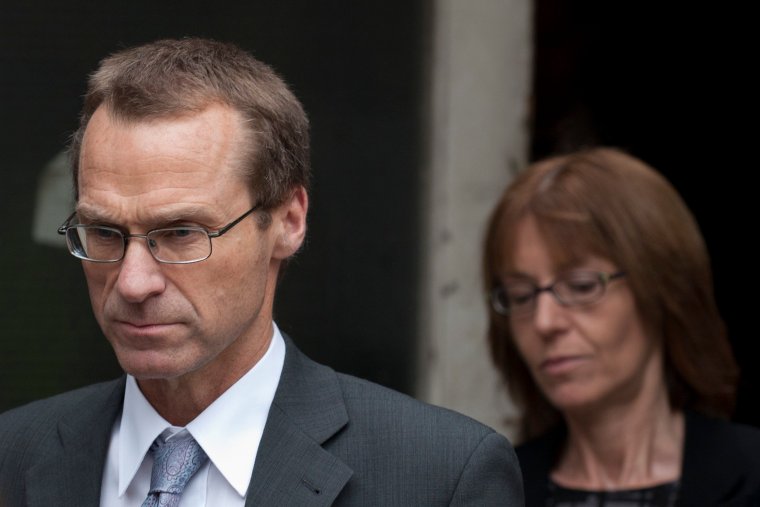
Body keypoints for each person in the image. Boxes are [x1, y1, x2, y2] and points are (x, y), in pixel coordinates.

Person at [0, 38, 523, 506]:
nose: (134, 282)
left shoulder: (439, 477)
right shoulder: (15, 458)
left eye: (183, 234)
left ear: (288, 222)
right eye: (106, 234)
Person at [483, 147, 760, 506]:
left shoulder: (751, 474)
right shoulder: (496, 487)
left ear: (661, 287)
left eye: (582, 286)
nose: (544, 321)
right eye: (521, 296)